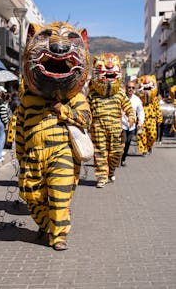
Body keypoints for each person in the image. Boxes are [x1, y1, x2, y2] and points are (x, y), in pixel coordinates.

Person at [16, 21, 92, 251]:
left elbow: (86, 120)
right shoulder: (27, 99)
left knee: (59, 197)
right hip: (33, 156)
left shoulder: (75, 99)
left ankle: (58, 235)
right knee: (31, 197)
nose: (59, 47)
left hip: (62, 153)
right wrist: (21, 157)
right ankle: (47, 223)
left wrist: (64, 110)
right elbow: (20, 130)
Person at [88, 53, 135, 188]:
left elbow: (128, 107)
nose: (109, 67)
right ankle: (102, 177)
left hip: (116, 128)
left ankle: (111, 171)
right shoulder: (92, 94)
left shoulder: (120, 93)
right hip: (98, 127)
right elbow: (86, 110)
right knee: (100, 151)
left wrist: (131, 117)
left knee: (116, 152)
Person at [121, 81, 145, 166]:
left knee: (128, 142)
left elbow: (141, 112)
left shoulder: (137, 100)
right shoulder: (121, 97)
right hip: (122, 124)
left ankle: (123, 158)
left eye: (132, 88)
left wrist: (140, 122)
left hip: (132, 126)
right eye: (129, 87)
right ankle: (117, 158)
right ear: (126, 88)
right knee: (123, 142)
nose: (130, 89)